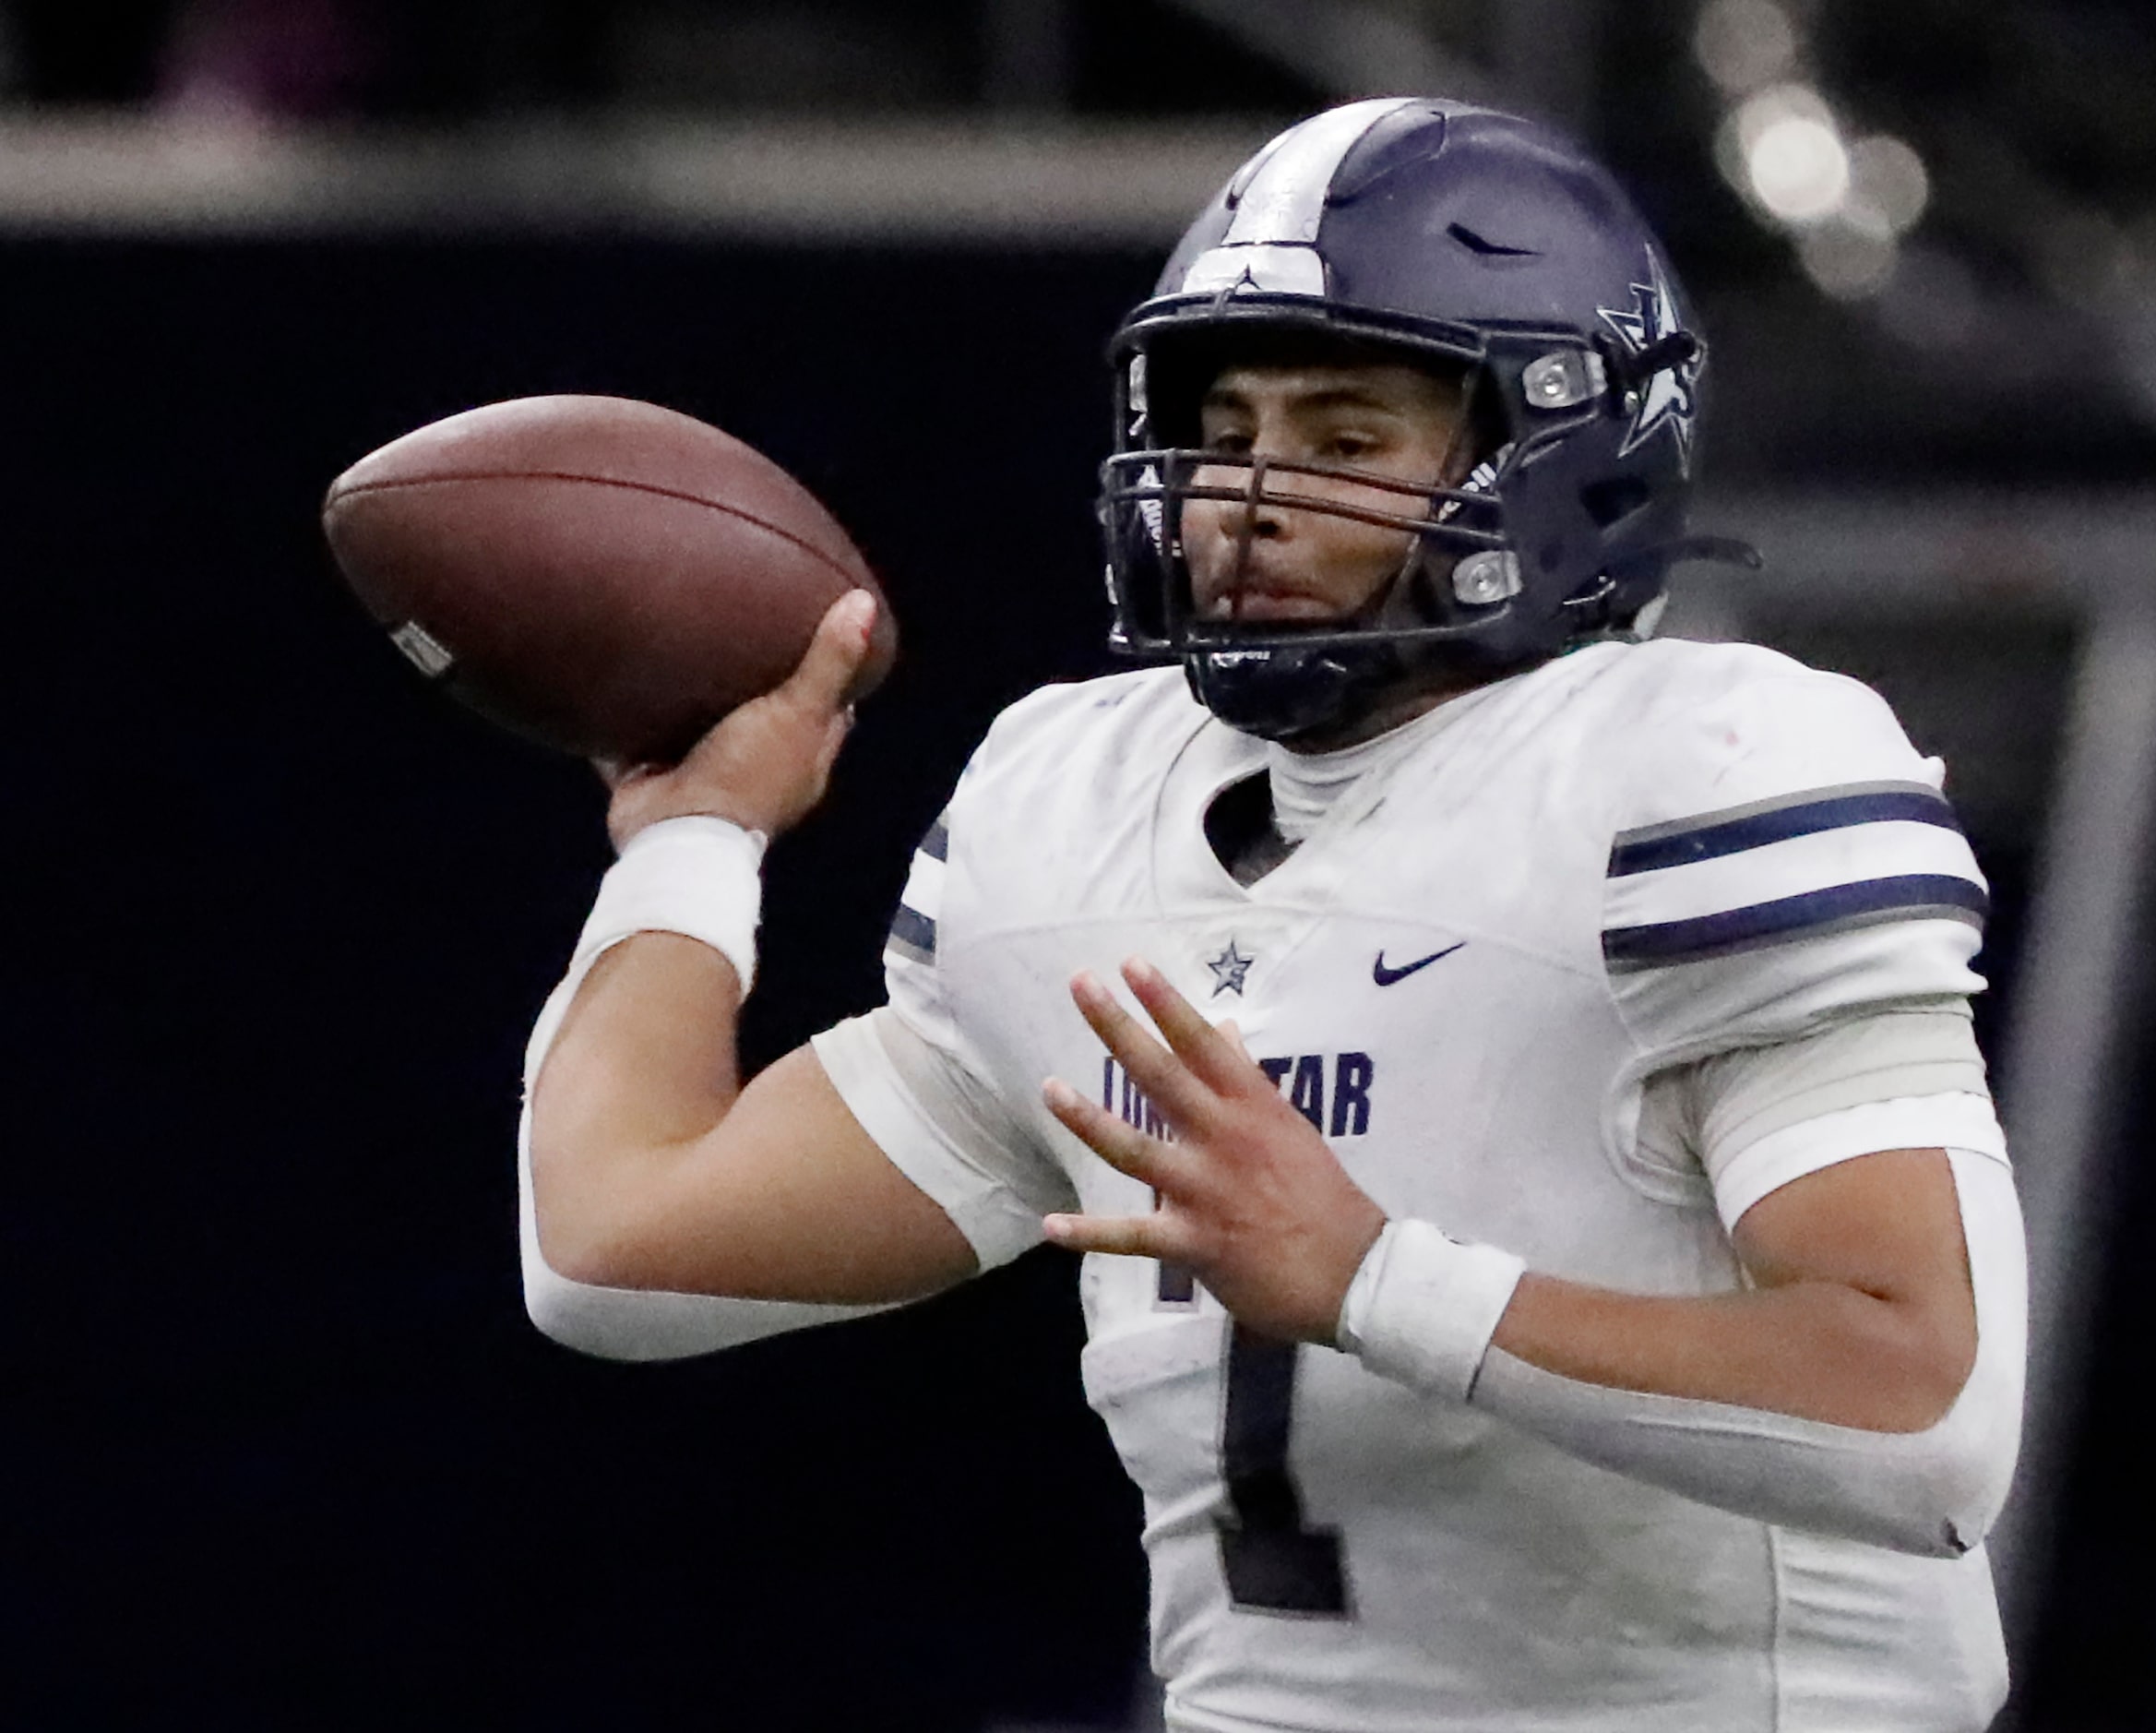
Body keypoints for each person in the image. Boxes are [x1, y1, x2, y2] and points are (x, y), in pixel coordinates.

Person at [520, 97, 2026, 1732]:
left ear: (1561, 450)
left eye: (1344, 438)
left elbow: (1921, 1419)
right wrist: (695, 839)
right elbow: (617, 1249)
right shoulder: (1071, 806)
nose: (1244, 494)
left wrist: (1376, 1281)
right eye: (1224, 426)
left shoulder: (1692, 769)